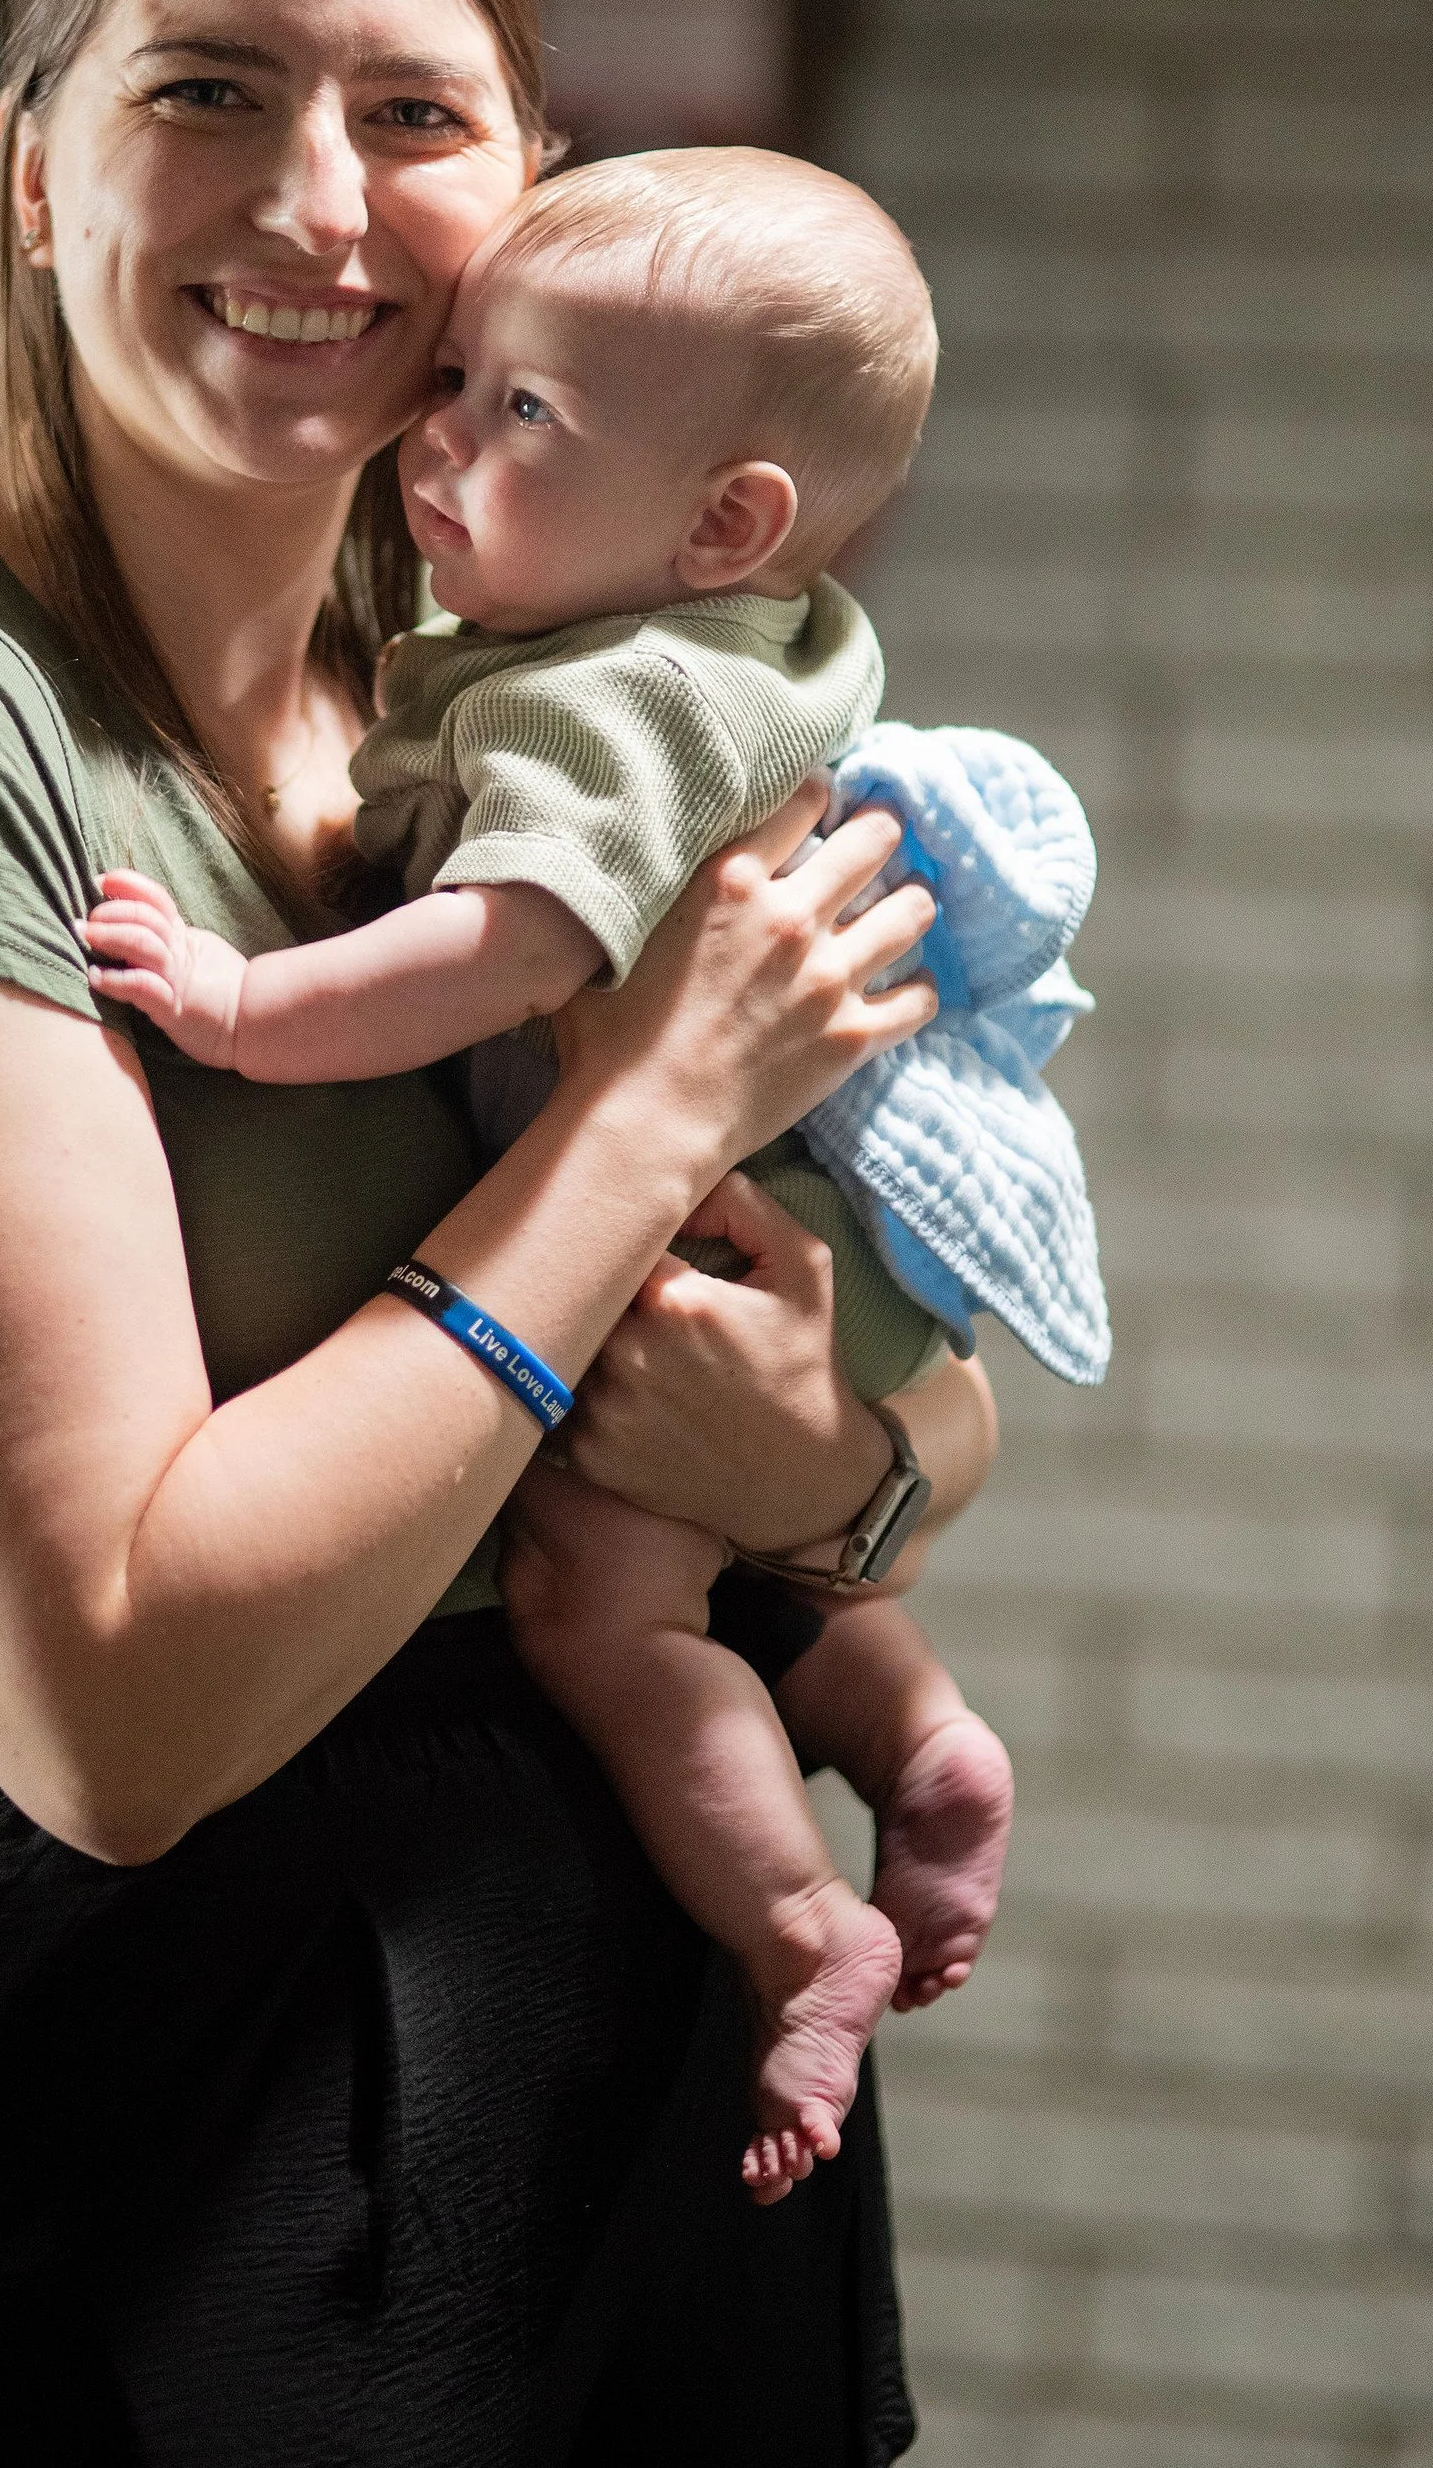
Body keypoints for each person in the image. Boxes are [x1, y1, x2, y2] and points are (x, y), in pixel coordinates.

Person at [0, 0, 999, 2468]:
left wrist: (831, 1483)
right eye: (203, 91)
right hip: (153, 2092)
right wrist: (636, 1130)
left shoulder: (504, 677)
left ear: (521, 173)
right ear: (33, 170)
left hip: (591, 2037)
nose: (312, 204)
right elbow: (117, 1712)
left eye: (410, 113)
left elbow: (905, 1317)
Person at [83, 146, 1021, 2205]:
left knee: (609, 1596)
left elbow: (504, 946)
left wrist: (243, 1004)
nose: (440, 438)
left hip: (713, 1232)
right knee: (727, 1555)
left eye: (520, 413)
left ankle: (800, 1930)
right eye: (466, 380)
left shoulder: (611, 704)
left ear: (724, 522)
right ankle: (920, 1734)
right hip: (809, 1242)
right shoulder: (745, 640)